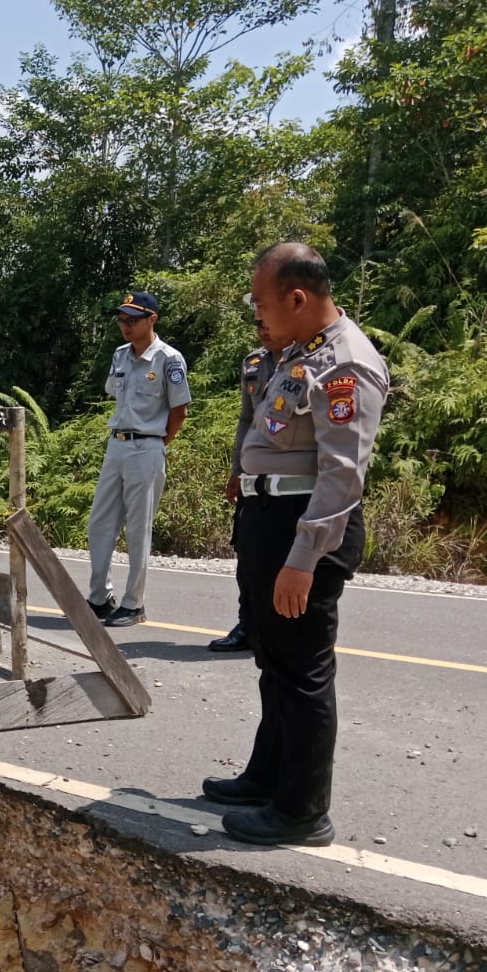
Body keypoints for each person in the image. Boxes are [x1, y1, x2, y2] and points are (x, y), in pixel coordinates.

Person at [201, 242, 389, 847]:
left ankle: (303, 811)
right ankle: (268, 778)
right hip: (270, 516)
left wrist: (303, 559)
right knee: (273, 658)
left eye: (261, 302)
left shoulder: (345, 364)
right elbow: (268, 426)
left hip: (302, 527)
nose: (256, 314)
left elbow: (341, 476)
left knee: (303, 669)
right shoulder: (297, 353)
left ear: (298, 297)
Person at [86, 291, 192, 628]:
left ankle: (133, 604)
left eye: (132, 320)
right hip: (116, 444)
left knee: (137, 529)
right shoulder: (120, 356)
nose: (125, 326)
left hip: (146, 447)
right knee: (100, 523)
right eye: (122, 320)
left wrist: (158, 443)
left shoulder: (169, 359)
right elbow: (112, 393)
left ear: (152, 320)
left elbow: (180, 411)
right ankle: (100, 598)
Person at [210, 315, 284, 653]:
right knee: (248, 552)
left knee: (286, 554)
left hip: (291, 476)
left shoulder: (307, 363)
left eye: (270, 322)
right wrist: (236, 468)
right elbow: (245, 418)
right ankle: (248, 624)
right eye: (259, 325)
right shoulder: (253, 363)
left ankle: (282, 628)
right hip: (254, 473)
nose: (264, 330)